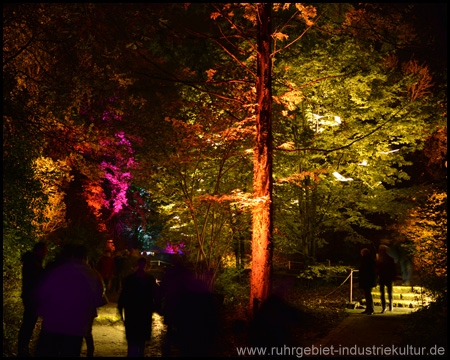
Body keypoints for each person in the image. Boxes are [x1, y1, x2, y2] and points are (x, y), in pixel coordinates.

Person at [35, 244, 104, 357]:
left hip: (52, 323)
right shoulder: (91, 275)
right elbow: (97, 299)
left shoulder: (56, 270)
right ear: (85, 257)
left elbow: (42, 294)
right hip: (76, 327)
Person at [118, 257, 157, 357]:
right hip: (144, 311)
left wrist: (120, 307)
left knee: (132, 338)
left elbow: (124, 295)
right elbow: (155, 294)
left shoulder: (130, 279)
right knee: (141, 338)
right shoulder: (149, 279)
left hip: (132, 311)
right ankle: (140, 354)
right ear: (146, 265)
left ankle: (133, 354)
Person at [17, 241, 48, 357]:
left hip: (30, 296)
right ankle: (22, 349)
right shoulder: (33, 263)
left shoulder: (32, 261)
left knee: (29, 322)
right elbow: (36, 280)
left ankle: (23, 348)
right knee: (28, 323)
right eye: (44, 250)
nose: (45, 253)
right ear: (39, 250)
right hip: (32, 297)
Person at [377, 245, 396, 313]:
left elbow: (378, 269)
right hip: (387, 277)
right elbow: (393, 269)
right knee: (388, 292)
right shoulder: (390, 258)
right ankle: (389, 306)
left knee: (384, 293)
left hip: (384, 277)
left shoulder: (380, 259)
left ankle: (385, 307)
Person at [359, 248, 377, 315]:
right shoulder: (370, 259)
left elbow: (365, 271)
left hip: (367, 280)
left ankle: (370, 309)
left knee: (368, 295)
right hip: (368, 280)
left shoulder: (365, 260)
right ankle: (368, 308)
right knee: (367, 295)